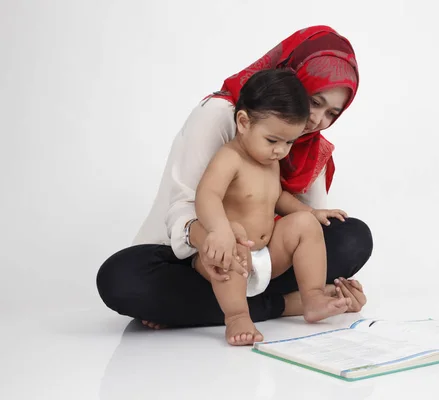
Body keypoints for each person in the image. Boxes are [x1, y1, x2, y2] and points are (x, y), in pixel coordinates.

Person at [96, 25, 373, 330]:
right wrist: (217, 234)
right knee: (121, 279)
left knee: (352, 237)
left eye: (332, 113)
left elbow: (305, 229)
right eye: (314, 101)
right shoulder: (221, 116)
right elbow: (193, 200)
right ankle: (276, 306)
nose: (317, 120)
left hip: (266, 255)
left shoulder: (309, 145)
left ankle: (303, 300)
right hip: (194, 253)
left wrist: (314, 223)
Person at [196, 69, 353, 345]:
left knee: (306, 225)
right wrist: (219, 230)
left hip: (267, 257)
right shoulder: (230, 158)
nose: (281, 150)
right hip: (227, 259)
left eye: (289, 142)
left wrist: (311, 214)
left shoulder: (270, 160)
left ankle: (313, 297)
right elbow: (206, 195)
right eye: (273, 141)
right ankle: (237, 316)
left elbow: (278, 198)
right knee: (234, 239)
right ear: (243, 122)